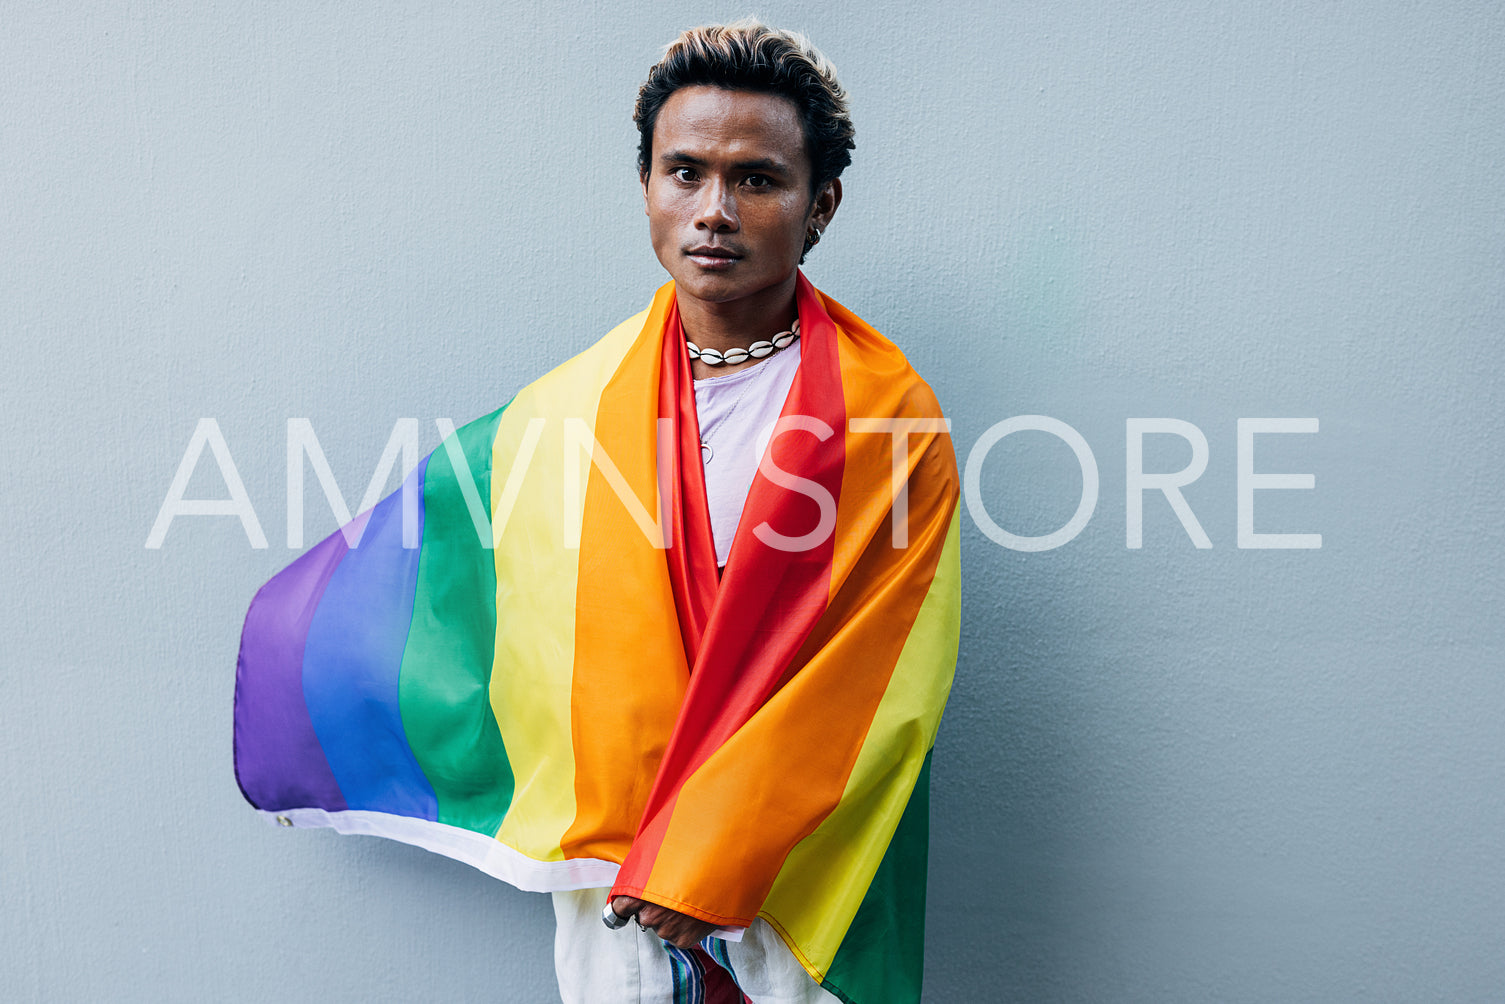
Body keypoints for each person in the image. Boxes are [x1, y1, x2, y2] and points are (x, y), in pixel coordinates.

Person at [234, 19, 959, 1004]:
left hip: (795, 882)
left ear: (817, 204)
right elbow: (454, 580)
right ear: (647, 189)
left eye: (755, 179)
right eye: (684, 172)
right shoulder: (574, 405)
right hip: (617, 894)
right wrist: (294, 689)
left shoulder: (885, 414)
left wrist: (710, 852)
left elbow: (880, 678)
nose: (714, 210)